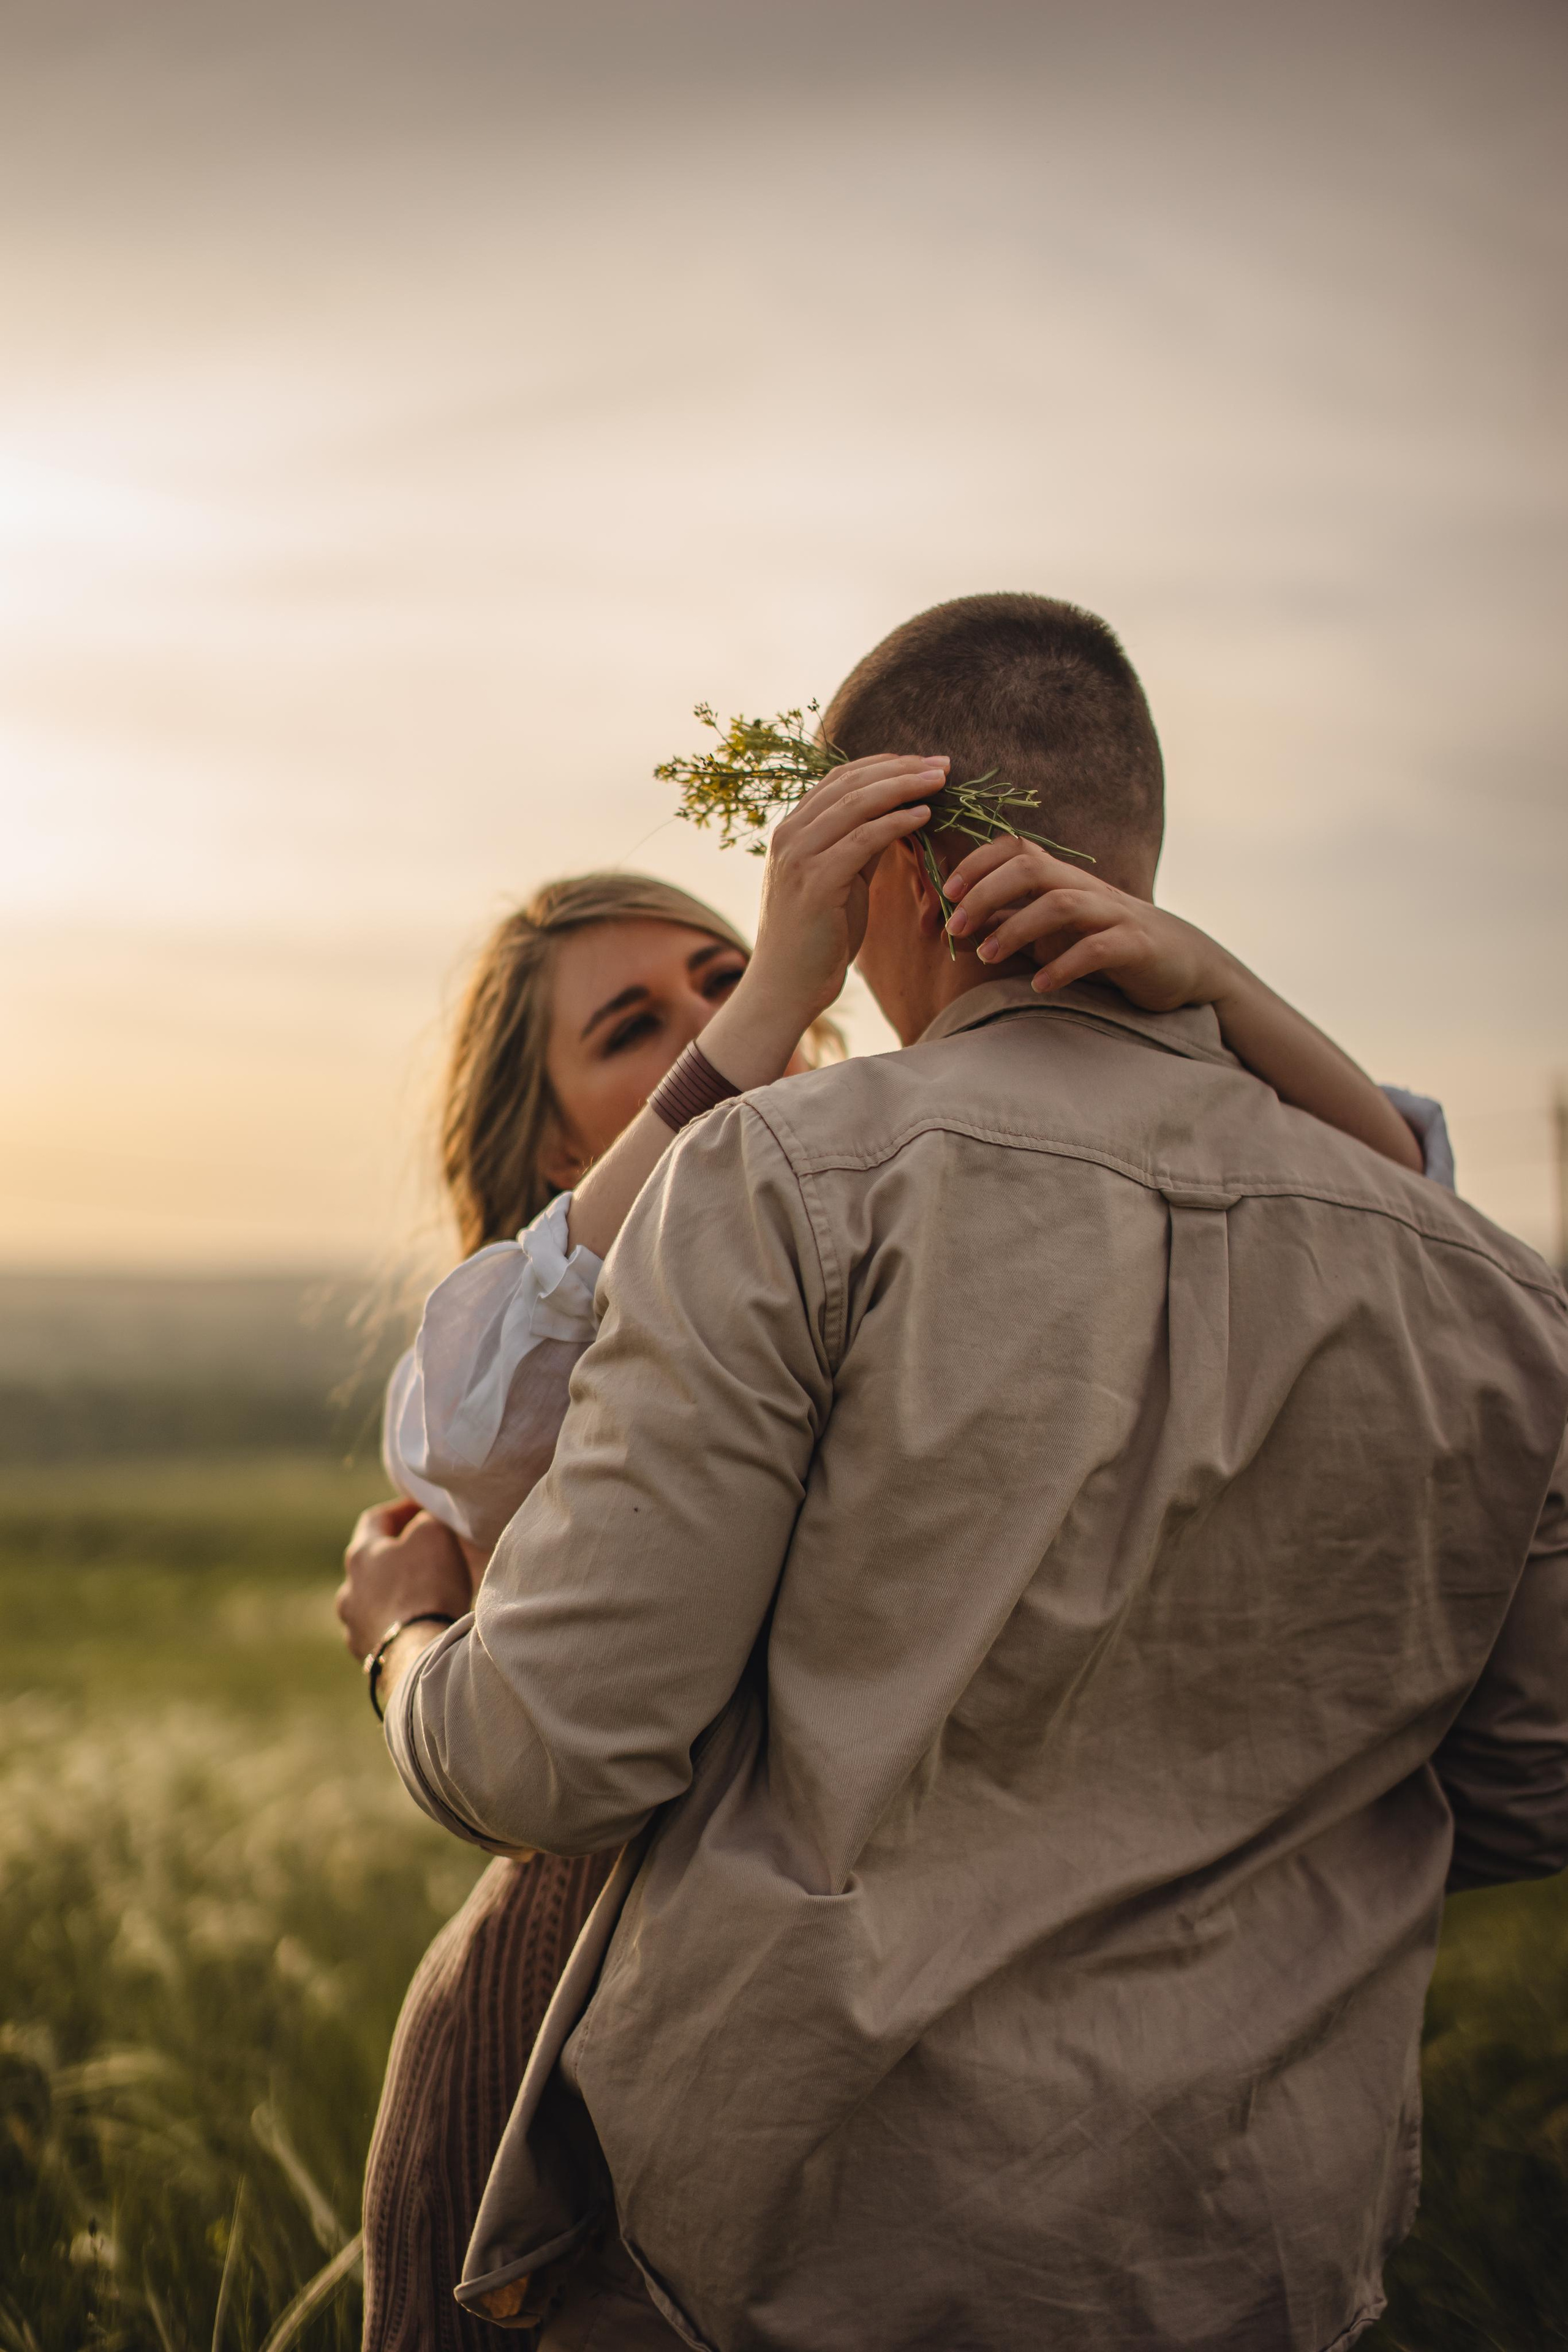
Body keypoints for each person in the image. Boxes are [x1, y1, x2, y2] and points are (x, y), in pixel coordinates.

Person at [341, 594, 1568, 2351]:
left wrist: (400, 1648)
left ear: (894, 883)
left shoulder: (789, 1193)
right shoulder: (1469, 1282)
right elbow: (1528, 1782)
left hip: (795, 2237)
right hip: (1258, 2247)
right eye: (644, 1020)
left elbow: (557, 1736)